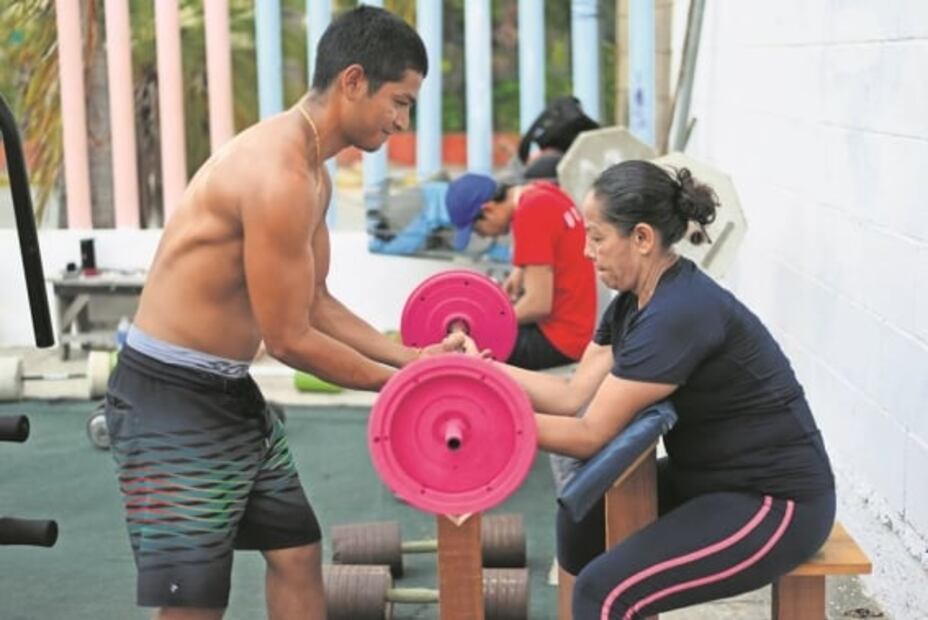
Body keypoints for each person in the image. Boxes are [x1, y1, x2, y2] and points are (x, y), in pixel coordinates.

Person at [103, 7, 460, 619]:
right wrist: (399, 384)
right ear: (353, 81)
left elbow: (315, 300)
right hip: (170, 396)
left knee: (296, 552)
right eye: (399, 102)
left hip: (228, 391)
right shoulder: (278, 174)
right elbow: (290, 339)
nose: (402, 122)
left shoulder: (313, 173)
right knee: (196, 601)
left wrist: (411, 358)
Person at [464, 160, 835, 618]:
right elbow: (571, 395)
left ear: (641, 238)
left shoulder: (679, 312)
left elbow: (588, 434)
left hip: (774, 502)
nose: (586, 252)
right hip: (706, 481)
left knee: (606, 592)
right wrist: (479, 373)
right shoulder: (630, 305)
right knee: (582, 520)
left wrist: (489, 420)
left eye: (597, 238)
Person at [446, 172, 597, 370]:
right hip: (579, 327)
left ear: (488, 209)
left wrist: (487, 320)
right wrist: (520, 269)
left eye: (477, 229)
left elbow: (538, 305)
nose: (482, 236)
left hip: (560, 340)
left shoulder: (530, 214)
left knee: (471, 348)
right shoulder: (543, 191)